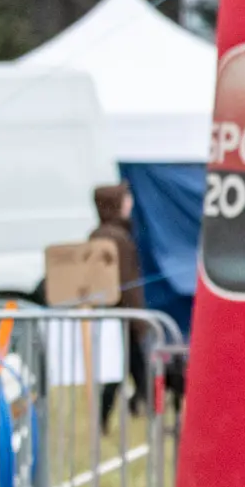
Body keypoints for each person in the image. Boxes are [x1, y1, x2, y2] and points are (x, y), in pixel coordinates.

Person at [88, 183, 148, 432]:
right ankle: (111, 416)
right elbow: (125, 283)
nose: (129, 203)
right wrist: (138, 318)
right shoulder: (114, 237)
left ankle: (137, 407)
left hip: (117, 315)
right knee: (122, 369)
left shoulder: (102, 234)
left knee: (134, 368)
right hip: (121, 315)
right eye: (125, 199)